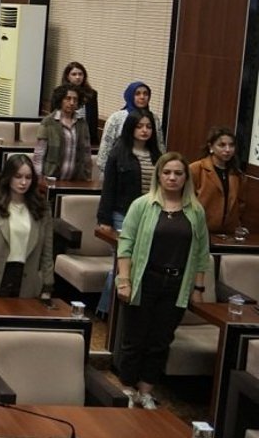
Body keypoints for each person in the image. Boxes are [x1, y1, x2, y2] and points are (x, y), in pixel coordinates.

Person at [115, 152, 210, 410]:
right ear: (158, 175)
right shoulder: (142, 205)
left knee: (160, 341)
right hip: (144, 280)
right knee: (134, 339)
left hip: (176, 285)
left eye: (178, 173)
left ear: (186, 178)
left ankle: (146, 390)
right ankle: (127, 389)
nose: (172, 178)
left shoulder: (195, 211)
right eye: (167, 172)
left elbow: (202, 253)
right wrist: (124, 280)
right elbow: (126, 244)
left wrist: (198, 287)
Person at [96, 107, 161, 317]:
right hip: (122, 215)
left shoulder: (158, 156)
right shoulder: (119, 153)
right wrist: (104, 219)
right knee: (123, 261)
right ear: (131, 128)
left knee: (141, 263)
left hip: (150, 216)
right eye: (140, 126)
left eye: (148, 126)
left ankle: (127, 311)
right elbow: (108, 188)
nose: (144, 130)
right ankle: (107, 310)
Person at [0, 154, 53, 299]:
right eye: (18, 176)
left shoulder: (42, 209)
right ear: (8, 177)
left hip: (27, 278)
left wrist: (47, 286)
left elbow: (47, 253)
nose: (23, 182)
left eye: (28, 177)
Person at [97, 82, 165, 174]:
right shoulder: (116, 118)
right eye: (137, 94)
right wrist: (109, 172)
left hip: (148, 168)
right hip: (119, 170)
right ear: (130, 95)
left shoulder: (154, 119)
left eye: (145, 94)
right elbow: (105, 148)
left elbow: (159, 145)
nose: (142, 97)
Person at [189, 126, 246, 233]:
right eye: (222, 145)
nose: (227, 150)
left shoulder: (237, 174)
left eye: (231, 145)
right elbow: (186, 200)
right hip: (199, 230)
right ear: (211, 147)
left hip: (227, 232)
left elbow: (240, 204)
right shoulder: (196, 169)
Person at [32, 84, 93, 182]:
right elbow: (39, 154)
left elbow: (87, 153)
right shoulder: (48, 122)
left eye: (75, 99)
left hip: (76, 179)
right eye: (68, 98)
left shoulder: (82, 123)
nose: (72, 103)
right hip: (51, 178)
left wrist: (87, 175)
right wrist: (38, 178)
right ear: (60, 100)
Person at [62, 62, 99, 145]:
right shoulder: (60, 93)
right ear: (67, 76)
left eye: (80, 74)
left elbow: (93, 121)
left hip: (85, 137)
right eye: (74, 74)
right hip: (64, 136)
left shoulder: (91, 94)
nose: (78, 77)